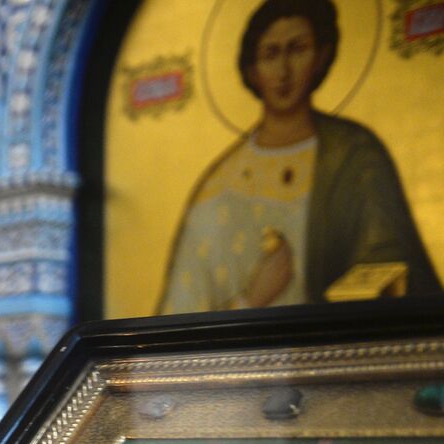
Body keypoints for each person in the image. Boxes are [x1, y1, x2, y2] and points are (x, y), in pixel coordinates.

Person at [158, 0, 440, 314]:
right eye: (270, 54)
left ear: (320, 56)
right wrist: (252, 300)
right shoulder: (218, 185)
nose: (283, 71)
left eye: (297, 49)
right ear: (251, 69)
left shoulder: (355, 155)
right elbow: (173, 329)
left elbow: (394, 267)